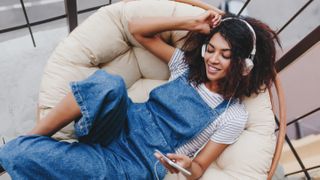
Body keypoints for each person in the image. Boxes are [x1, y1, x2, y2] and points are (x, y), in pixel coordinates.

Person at [0, 3, 280, 180]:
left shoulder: (232, 115)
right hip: (115, 124)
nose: (212, 59)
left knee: (15, 154)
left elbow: (198, 170)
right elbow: (137, 30)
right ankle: (34, 137)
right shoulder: (186, 66)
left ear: (244, 65)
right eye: (211, 49)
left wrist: (185, 165)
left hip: (131, 165)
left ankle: (38, 153)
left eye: (225, 55)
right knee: (110, 84)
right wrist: (191, 24)